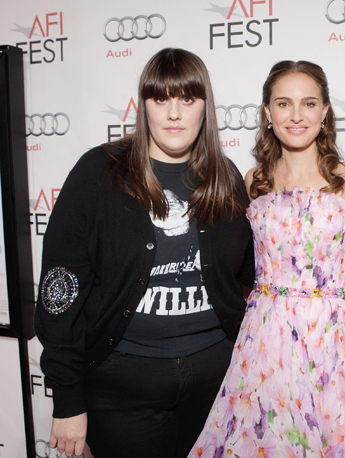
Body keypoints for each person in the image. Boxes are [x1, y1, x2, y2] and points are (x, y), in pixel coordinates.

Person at [34, 48, 254, 458]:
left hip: (216, 381)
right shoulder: (99, 173)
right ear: (144, 105)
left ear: (204, 105)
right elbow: (58, 295)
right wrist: (67, 398)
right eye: (160, 98)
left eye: (187, 99)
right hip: (122, 388)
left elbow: (251, 272)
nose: (174, 113)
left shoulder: (225, 176)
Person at [188, 60, 345, 457]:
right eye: (283, 104)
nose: (296, 115)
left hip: (331, 337)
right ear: (268, 113)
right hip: (266, 336)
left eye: (308, 104)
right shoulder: (253, 181)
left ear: (325, 112)